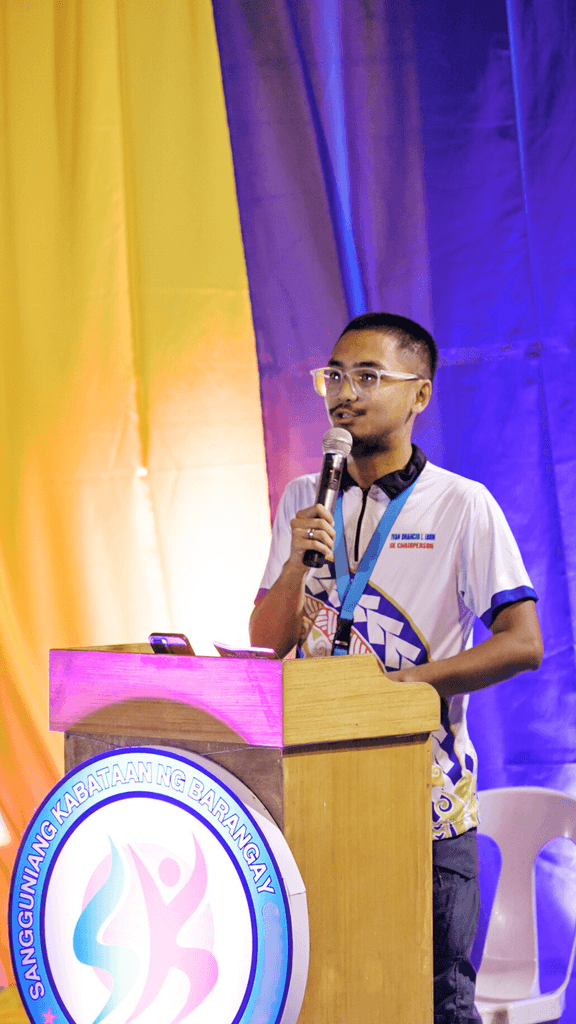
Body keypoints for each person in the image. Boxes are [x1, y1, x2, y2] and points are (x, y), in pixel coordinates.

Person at [250, 312, 543, 1024]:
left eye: (369, 376)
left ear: (420, 395)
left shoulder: (462, 505)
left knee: (436, 1000)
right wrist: (297, 562)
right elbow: (265, 642)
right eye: (336, 376)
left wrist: (410, 686)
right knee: (329, 996)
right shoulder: (302, 498)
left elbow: (523, 641)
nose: (344, 393)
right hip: (315, 798)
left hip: (425, 805)